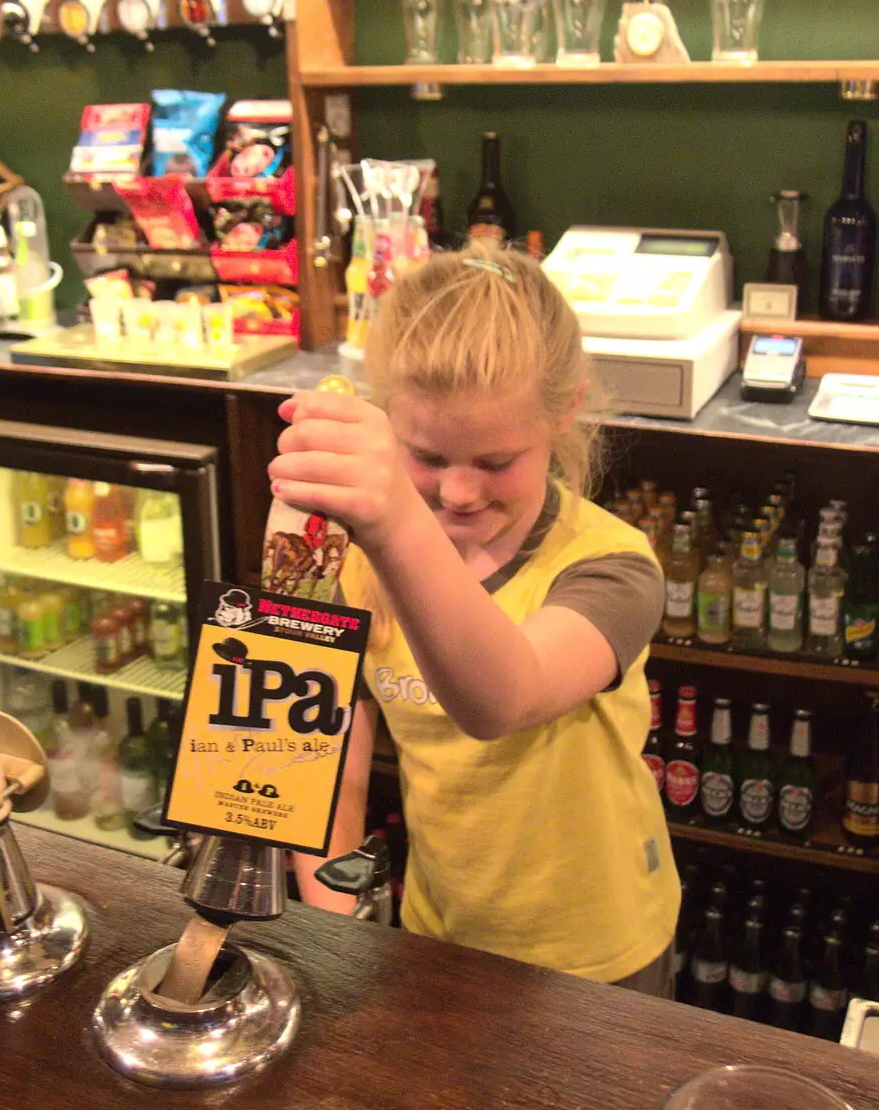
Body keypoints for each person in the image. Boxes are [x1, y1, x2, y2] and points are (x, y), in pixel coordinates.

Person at [274, 246, 679, 993]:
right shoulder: (354, 564)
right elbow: (327, 757)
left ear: (564, 413)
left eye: (496, 461)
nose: (458, 492)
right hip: (440, 934)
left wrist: (397, 514)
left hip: (599, 953)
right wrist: (337, 919)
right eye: (424, 455)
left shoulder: (612, 567)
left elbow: (503, 699)